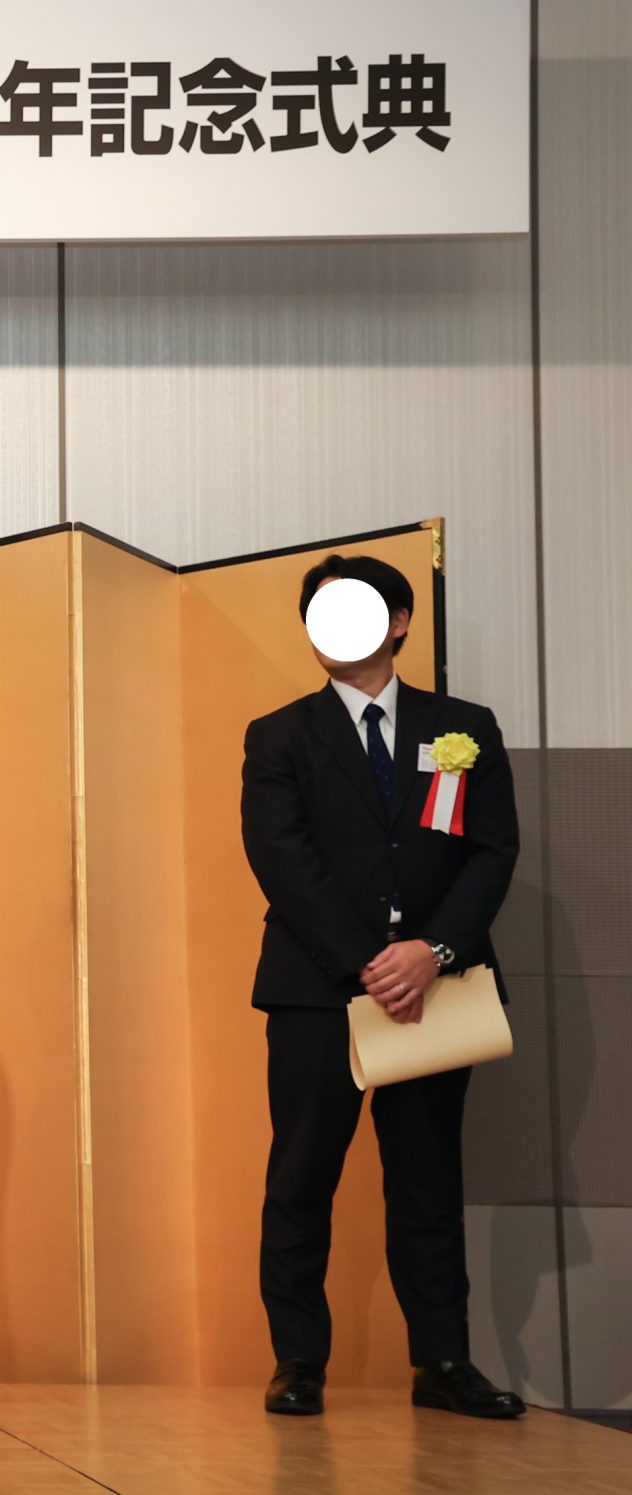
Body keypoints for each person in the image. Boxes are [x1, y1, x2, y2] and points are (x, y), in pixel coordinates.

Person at [242, 554, 524, 1422]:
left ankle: (442, 1361)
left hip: (437, 992)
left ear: (399, 620)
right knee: (302, 1177)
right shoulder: (279, 735)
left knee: (427, 1180)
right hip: (319, 990)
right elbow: (279, 857)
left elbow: (492, 851)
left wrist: (430, 953)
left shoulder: (463, 727)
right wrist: (373, 961)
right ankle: (298, 1362)